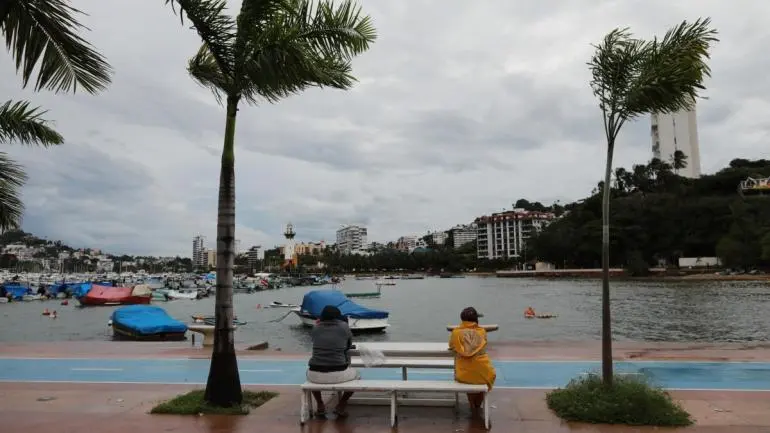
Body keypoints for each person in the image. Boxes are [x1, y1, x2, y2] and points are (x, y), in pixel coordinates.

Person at [306, 305, 360, 418]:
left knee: (310, 379)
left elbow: (315, 341)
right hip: (338, 372)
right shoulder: (344, 327)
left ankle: (320, 405)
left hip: (314, 373)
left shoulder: (315, 328)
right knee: (357, 376)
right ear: (338, 317)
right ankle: (341, 404)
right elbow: (348, 346)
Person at [449, 307, 496, 418]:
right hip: (482, 373)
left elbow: (451, 346)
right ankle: (477, 406)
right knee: (484, 377)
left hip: (463, 374)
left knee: (469, 376)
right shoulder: (482, 332)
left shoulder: (456, 333)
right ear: (476, 320)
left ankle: (472, 406)